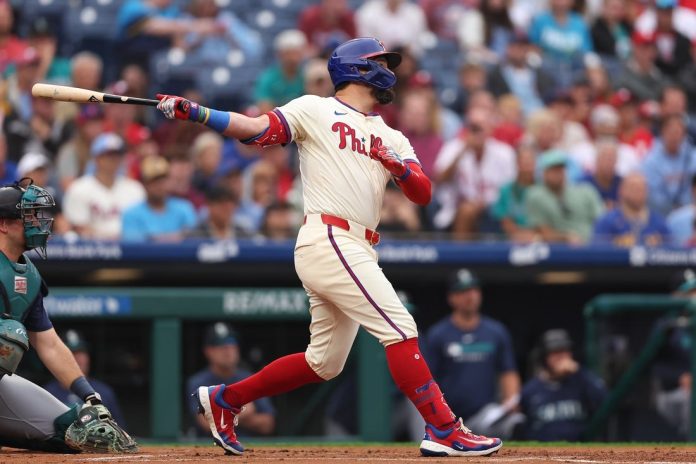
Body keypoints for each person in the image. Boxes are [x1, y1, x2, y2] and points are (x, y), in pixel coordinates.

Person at [156, 37, 502, 457]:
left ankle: (226, 399)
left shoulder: (391, 135)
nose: (388, 71)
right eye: (380, 62)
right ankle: (444, 428)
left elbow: (423, 193)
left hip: (358, 245)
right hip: (330, 237)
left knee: (324, 363)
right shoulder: (315, 109)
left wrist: (397, 167)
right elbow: (256, 129)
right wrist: (198, 112)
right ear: (357, 68)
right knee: (400, 328)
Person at [0, 178, 136, 453]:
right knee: (9, 335)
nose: (37, 222)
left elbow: (48, 344)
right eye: (28, 216)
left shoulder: (28, 276)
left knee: (76, 430)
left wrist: (90, 396)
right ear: (3, 223)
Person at [420, 269, 521, 438]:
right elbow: (429, 379)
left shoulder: (496, 332)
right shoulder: (438, 334)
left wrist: (511, 400)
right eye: (463, 291)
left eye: (474, 290)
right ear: (451, 298)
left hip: (485, 415)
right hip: (449, 417)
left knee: (515, 421)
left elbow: (507, 371)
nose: (470, 296)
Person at [186, 322, 275, 437]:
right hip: (211, 446)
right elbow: (207, 424)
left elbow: (268, 424)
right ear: (208, 351)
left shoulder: (250, 378)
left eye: (231, 343)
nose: (227, 350)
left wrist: (222, 415)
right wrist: (239, 412)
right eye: (220, 344)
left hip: (247, 445)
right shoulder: (198, 383)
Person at [518, 329, 607, 441]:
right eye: (555, 352)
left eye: (565, 351)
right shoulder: (530, 390)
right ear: (544, 357)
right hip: (543, 449)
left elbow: (604, 401)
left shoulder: (581, 381)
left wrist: (579, 372)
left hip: (579, 448)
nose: (562, 357)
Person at [62, 133, 145, 240]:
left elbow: (142, 225)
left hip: (130, 246)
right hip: (92, 247)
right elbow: (79, 228)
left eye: (117, 155)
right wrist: (110, 239)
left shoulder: (135, 188)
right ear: (96, 158)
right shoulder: (79, 188)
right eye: (108, 155)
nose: (114, 159)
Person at [43, 329, 126, 427]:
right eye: (71, 352)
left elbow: (120, 431)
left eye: (81, 352)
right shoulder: (47, 394)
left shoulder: (104, 392)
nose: (78, 358)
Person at [526, 150, 604, 244]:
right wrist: (565, 238)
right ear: (544, 172)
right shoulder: (536, 195)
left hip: (593, 245)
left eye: (561, 169)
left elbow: (602, 221)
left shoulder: (585, 191)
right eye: (553, 170)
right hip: (558, 249)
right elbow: (541, 231)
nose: (558, 174)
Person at [121, 156, 196, 242]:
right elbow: (134, 245)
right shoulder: (131, 214)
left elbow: (194, 239)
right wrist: (175, 237)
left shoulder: (184, 208)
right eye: (154, 181)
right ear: (144, 184)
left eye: (163, 180)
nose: (159, 186)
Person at [593, 173, 671, 247]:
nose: (638, 192)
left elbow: (672, 249)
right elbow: (595, 249)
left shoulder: (658, 222)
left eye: (641, 189)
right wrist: (616, 246)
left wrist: (658, 247)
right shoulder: (607, 221)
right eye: (633, 188)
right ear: (621, 191)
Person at [642, 114, 696, 217]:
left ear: (684, 135)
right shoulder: (651, 160)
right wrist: (670, 208)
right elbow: (651, 194)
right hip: (661, 213)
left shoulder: (692, 157)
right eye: (671, 132)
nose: (674, 137)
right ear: (663, 133)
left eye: (678, 132)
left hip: (689, 212)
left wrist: (685, 207)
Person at [253, 29, 307, 114]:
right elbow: (264, 108)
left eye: (296, 53)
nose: (292, 58)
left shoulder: (307, 74)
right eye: (288, 54)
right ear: (279, 55)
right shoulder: (268, 78)